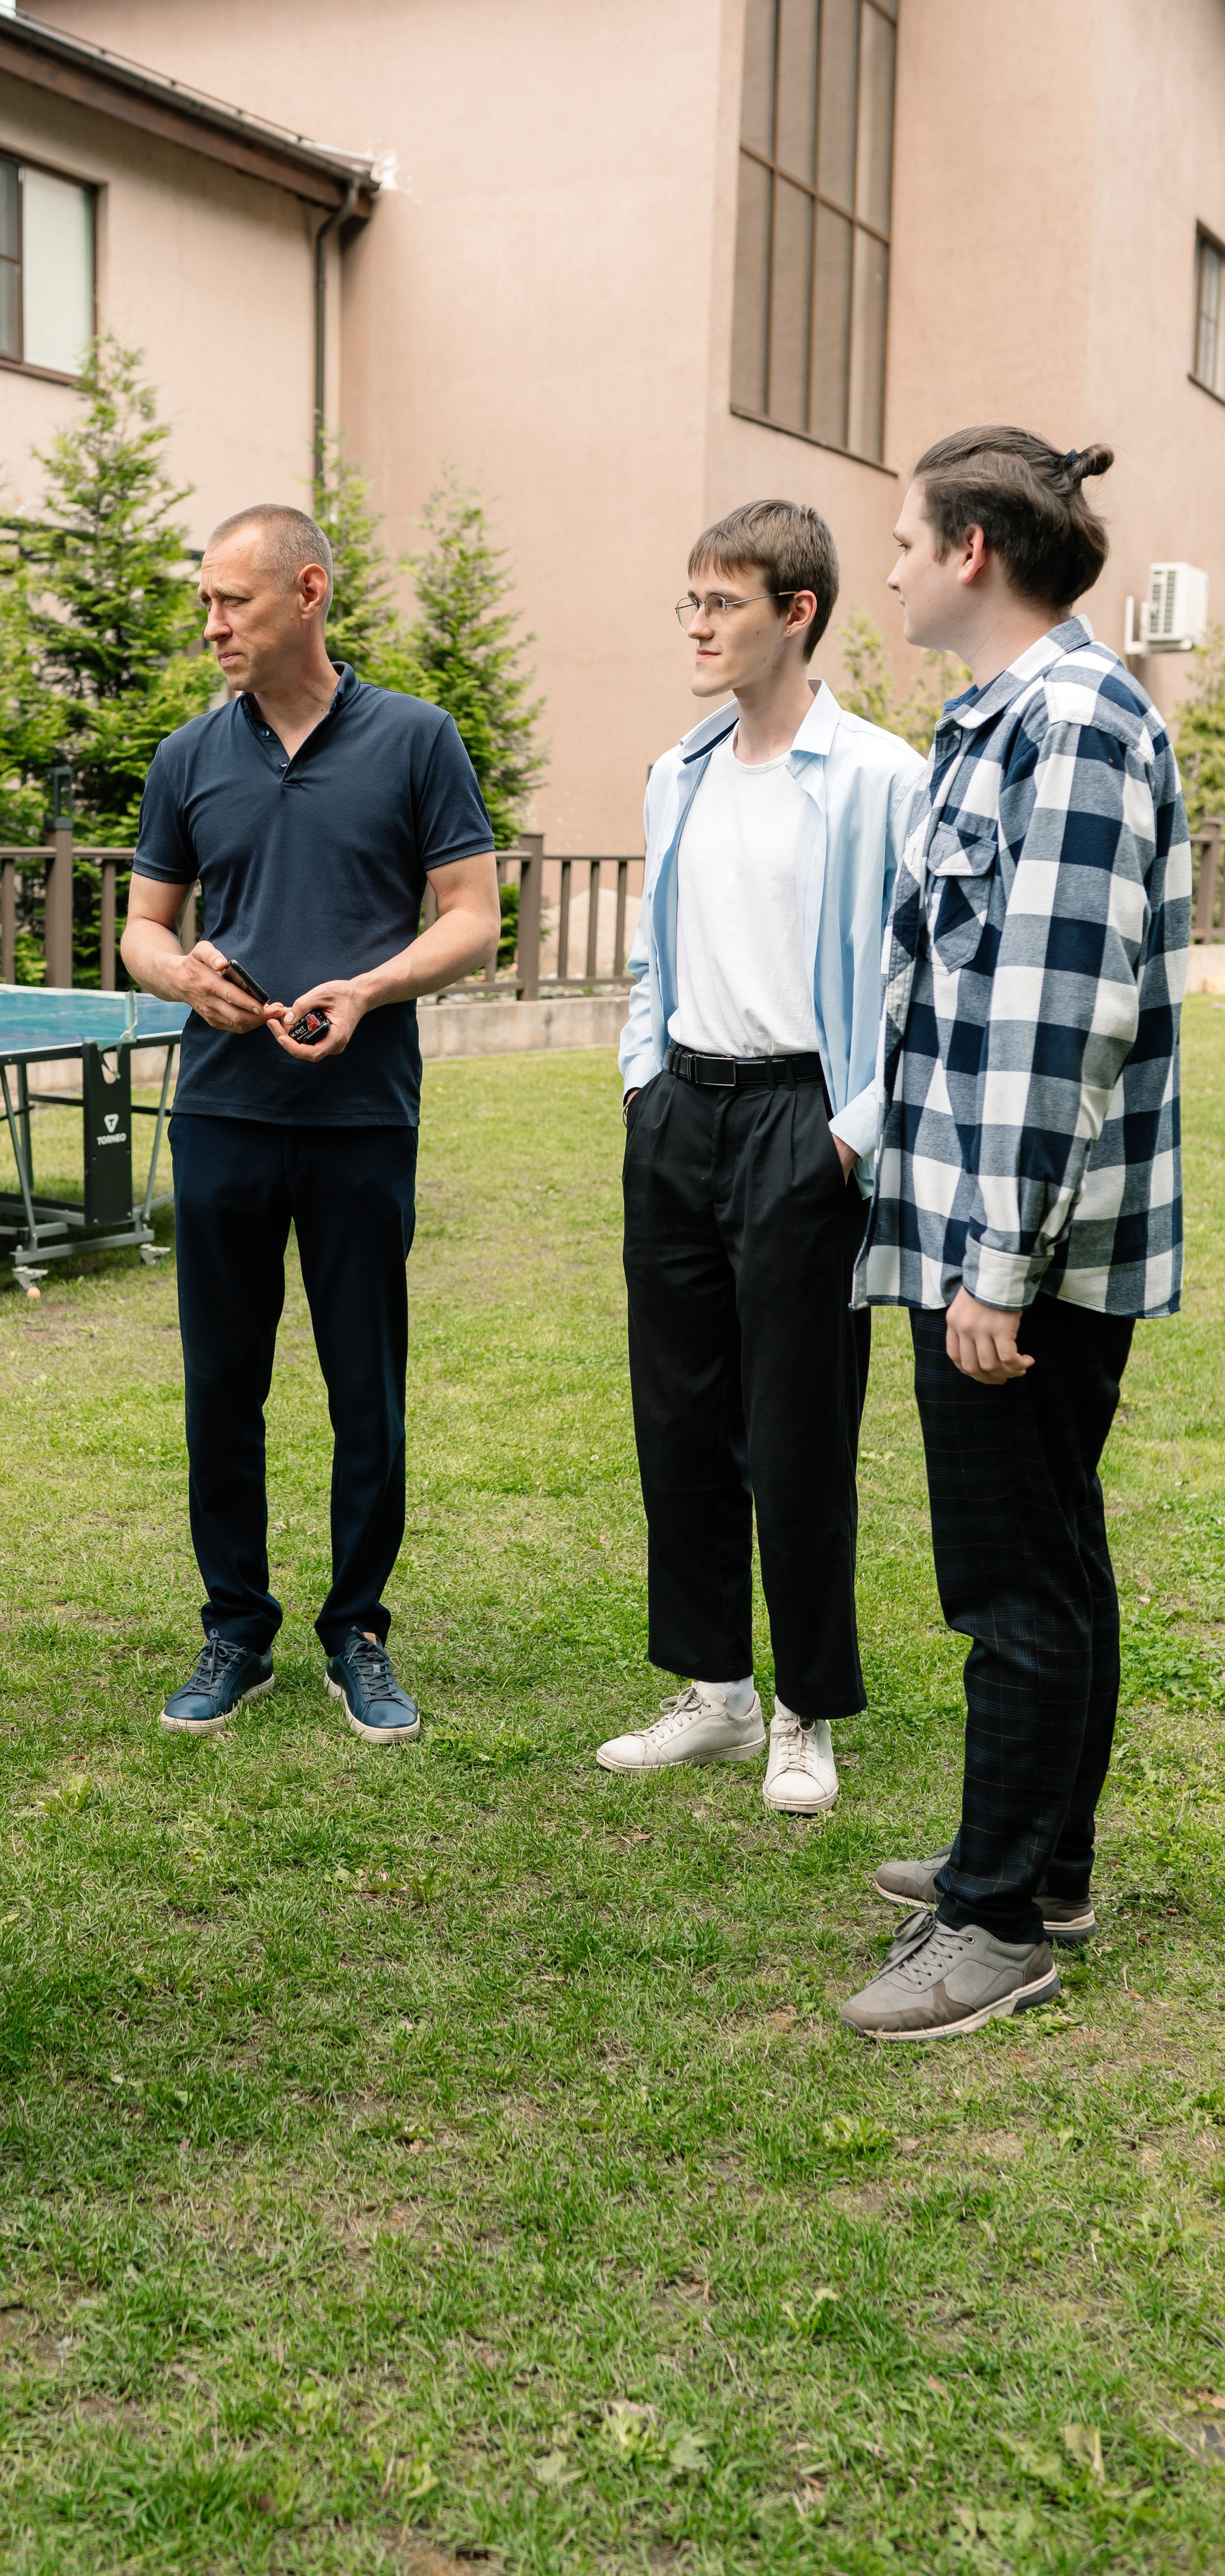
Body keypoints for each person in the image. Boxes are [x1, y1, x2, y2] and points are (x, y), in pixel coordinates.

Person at [841, 431, 1188, 2041]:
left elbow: (1057, 1025)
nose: (889, 561)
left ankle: (995, 1923)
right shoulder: (1000, 724)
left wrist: (994, 1264)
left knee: (1008, 1580)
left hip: (1016, 1251)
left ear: (971, 547)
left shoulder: (1072, 725)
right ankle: (1039, 1864)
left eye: (902, 536)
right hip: (989, 1225)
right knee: (1046, 1551)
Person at [120, 504, 500, 1742]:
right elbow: (141, 927)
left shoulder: (417, 740)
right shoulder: (187, 756)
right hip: (222, 1109)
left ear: (311, 592)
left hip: (360, 1117)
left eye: (234, 602)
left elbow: (472, 917)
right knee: (220, 1385)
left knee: (363, 1388)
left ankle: (358, 1630)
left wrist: (371, 987)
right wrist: (184, 977)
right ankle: (237, 1627)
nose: (213, 626)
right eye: (205, 606)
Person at [601, 501, 923, 1812]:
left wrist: (852, 1131)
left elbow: (911, 984)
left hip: (808, 1120)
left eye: (721, 603)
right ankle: (718, 1696)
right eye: (689, 601)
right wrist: (643, 1084)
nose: (696, 624)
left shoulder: (879, 778)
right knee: (677, 1415)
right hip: (681, 1108)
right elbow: (649, 952)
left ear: (796, 613)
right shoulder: (676, 769)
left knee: (794, 1428)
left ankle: (804, 1709)